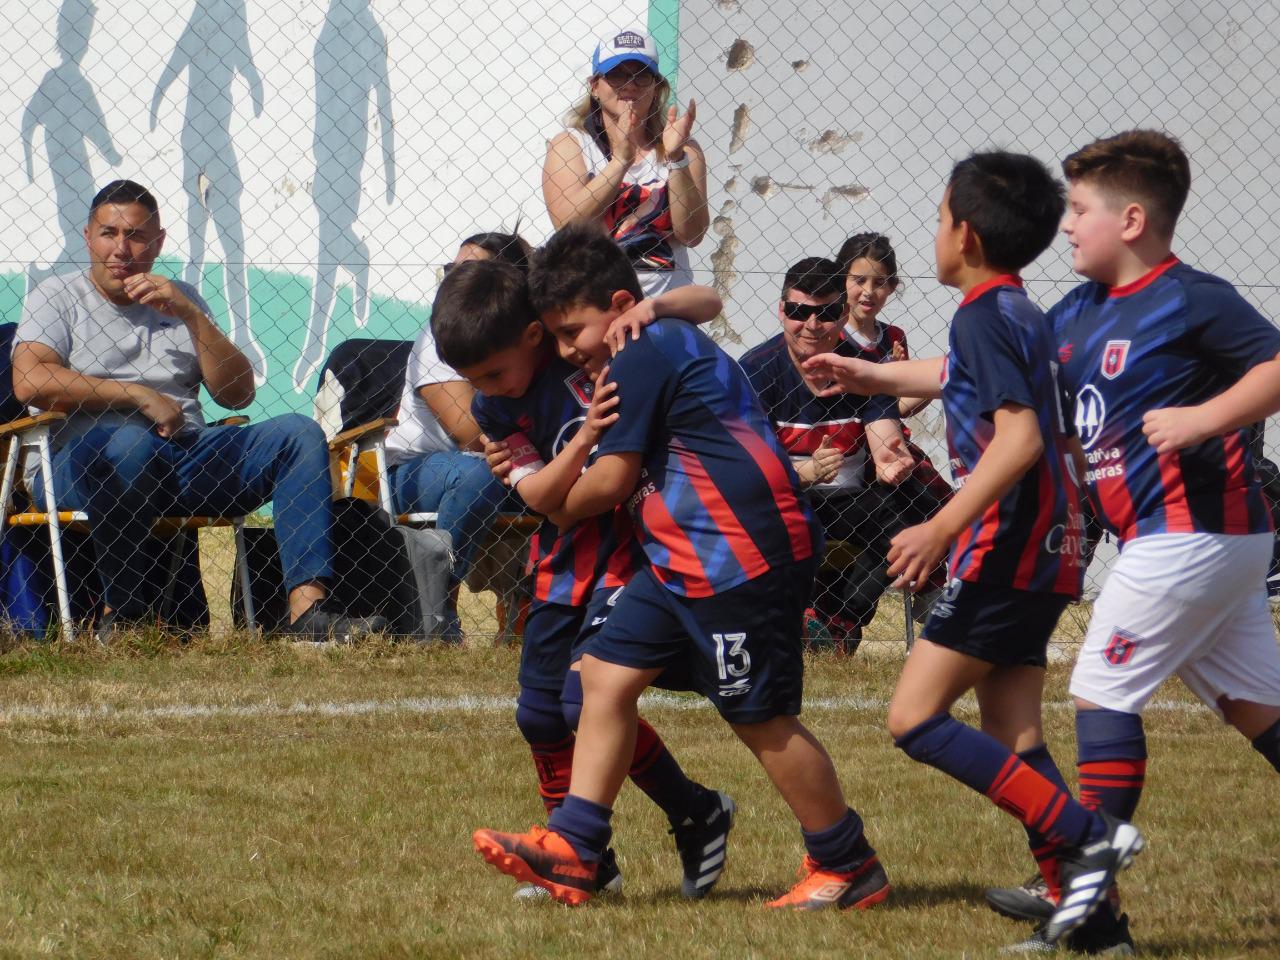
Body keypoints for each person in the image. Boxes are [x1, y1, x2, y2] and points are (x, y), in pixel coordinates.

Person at [473, 223, 890, 911]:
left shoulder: (639, 354)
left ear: (617, 306)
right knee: (600, 679)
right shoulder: (645, 339)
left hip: (740, 557)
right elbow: (701, 303)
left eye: (573, 330)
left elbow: (609, 485)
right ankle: (576, 850)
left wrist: (544, 494)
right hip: (681, 562)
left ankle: (847, 863)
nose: (569, 351)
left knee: (760, 719)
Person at [805, 152, 1144, 951]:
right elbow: (960, 376)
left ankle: (1085, 836)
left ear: (963, 231)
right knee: (1013, 729)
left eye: (936, 217)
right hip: (1055, 545)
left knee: (914, 718)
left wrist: (941, 526)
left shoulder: (982, 316)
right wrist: (866, 372)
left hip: (1006, 547)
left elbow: (1019, 439)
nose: (933, 233)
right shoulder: (1019, 312)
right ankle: (1093, 920)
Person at [987, 129, 1280, 952]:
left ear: (1134, 219)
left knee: (1099, 693)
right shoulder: (1075, 312)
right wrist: (872, 378)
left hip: (1191, 537)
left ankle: (1088, 892)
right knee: (1261, 711)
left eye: (1079, 209)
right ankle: (1088, 888)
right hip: (1204, 545)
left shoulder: (1190, 297)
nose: (1066, 225)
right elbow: (986, 368)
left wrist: (1204, 417)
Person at [434, 260, 733, 901]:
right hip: (565, 556)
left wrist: (647, 309)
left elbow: (705, 300)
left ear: (536, 335)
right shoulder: (494, 407)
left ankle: (667, 821)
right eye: (471, 379)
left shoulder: (590, 347)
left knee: (584, 697)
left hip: (634, 550)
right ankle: (585, 855)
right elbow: (543, 496)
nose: (483, 389)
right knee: (539, 713)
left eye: (491, 371)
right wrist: (583, 440)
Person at [12, 179, 380, 643]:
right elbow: (32, 379)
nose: (121, 248)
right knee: (127, 443)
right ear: (88, 236)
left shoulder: (180, 298)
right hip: (82, 465)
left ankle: (307, 613)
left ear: (159, 242)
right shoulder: (57, 296)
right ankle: (125, 616)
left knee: (297, 433)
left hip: (183, 457)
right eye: (108, 233)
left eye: (137, 236)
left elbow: (238, 394)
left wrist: (192, 315)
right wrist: (138, 396)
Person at [738, 256, 917, 650]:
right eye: (800, 312)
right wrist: (805, 472)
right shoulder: (754, 371)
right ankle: (797, 618)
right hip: (786, 496)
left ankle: (837, 619)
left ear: (842, 312)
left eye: (827, 313)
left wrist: (892, 460)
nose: (812, 326)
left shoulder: (866, 366)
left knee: (911, 515)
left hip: (848, 499)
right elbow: (747, 470)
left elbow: (883, 433)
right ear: (782, 310)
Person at [382, 232, 533, 641]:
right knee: (478, 473)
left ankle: (544, 609)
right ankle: (435, 605)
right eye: (450, 270)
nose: (452, 280)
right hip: (420, 472)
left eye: (467, 271)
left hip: (506, 462)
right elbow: (469, 432)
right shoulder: (440, 333)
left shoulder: (532, 335)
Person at [542, 28, 708, 297]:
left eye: (641, 76)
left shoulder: (685, 148)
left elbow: (692, 234)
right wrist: (620, 161)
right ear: (595, 86)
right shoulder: (570, 145)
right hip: (593, 307)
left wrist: (676, 159)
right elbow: (568, 226)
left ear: (656, 88)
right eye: (616, 74)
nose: (629, 84)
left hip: (663, 310)